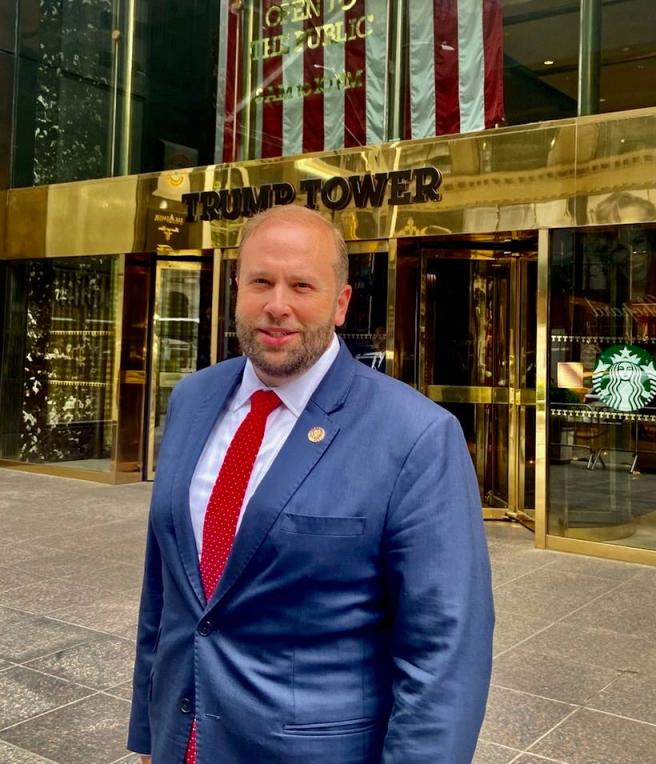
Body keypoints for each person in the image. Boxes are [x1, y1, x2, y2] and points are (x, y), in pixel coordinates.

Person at [127, 206, 493, 764]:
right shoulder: (191, 399)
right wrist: (151, 737)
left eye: (302, 285)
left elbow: (445, 651)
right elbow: (167, 597)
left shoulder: (416, 436)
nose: (278, 305)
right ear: (236, 291)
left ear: (340, 303)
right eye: (260, 282)